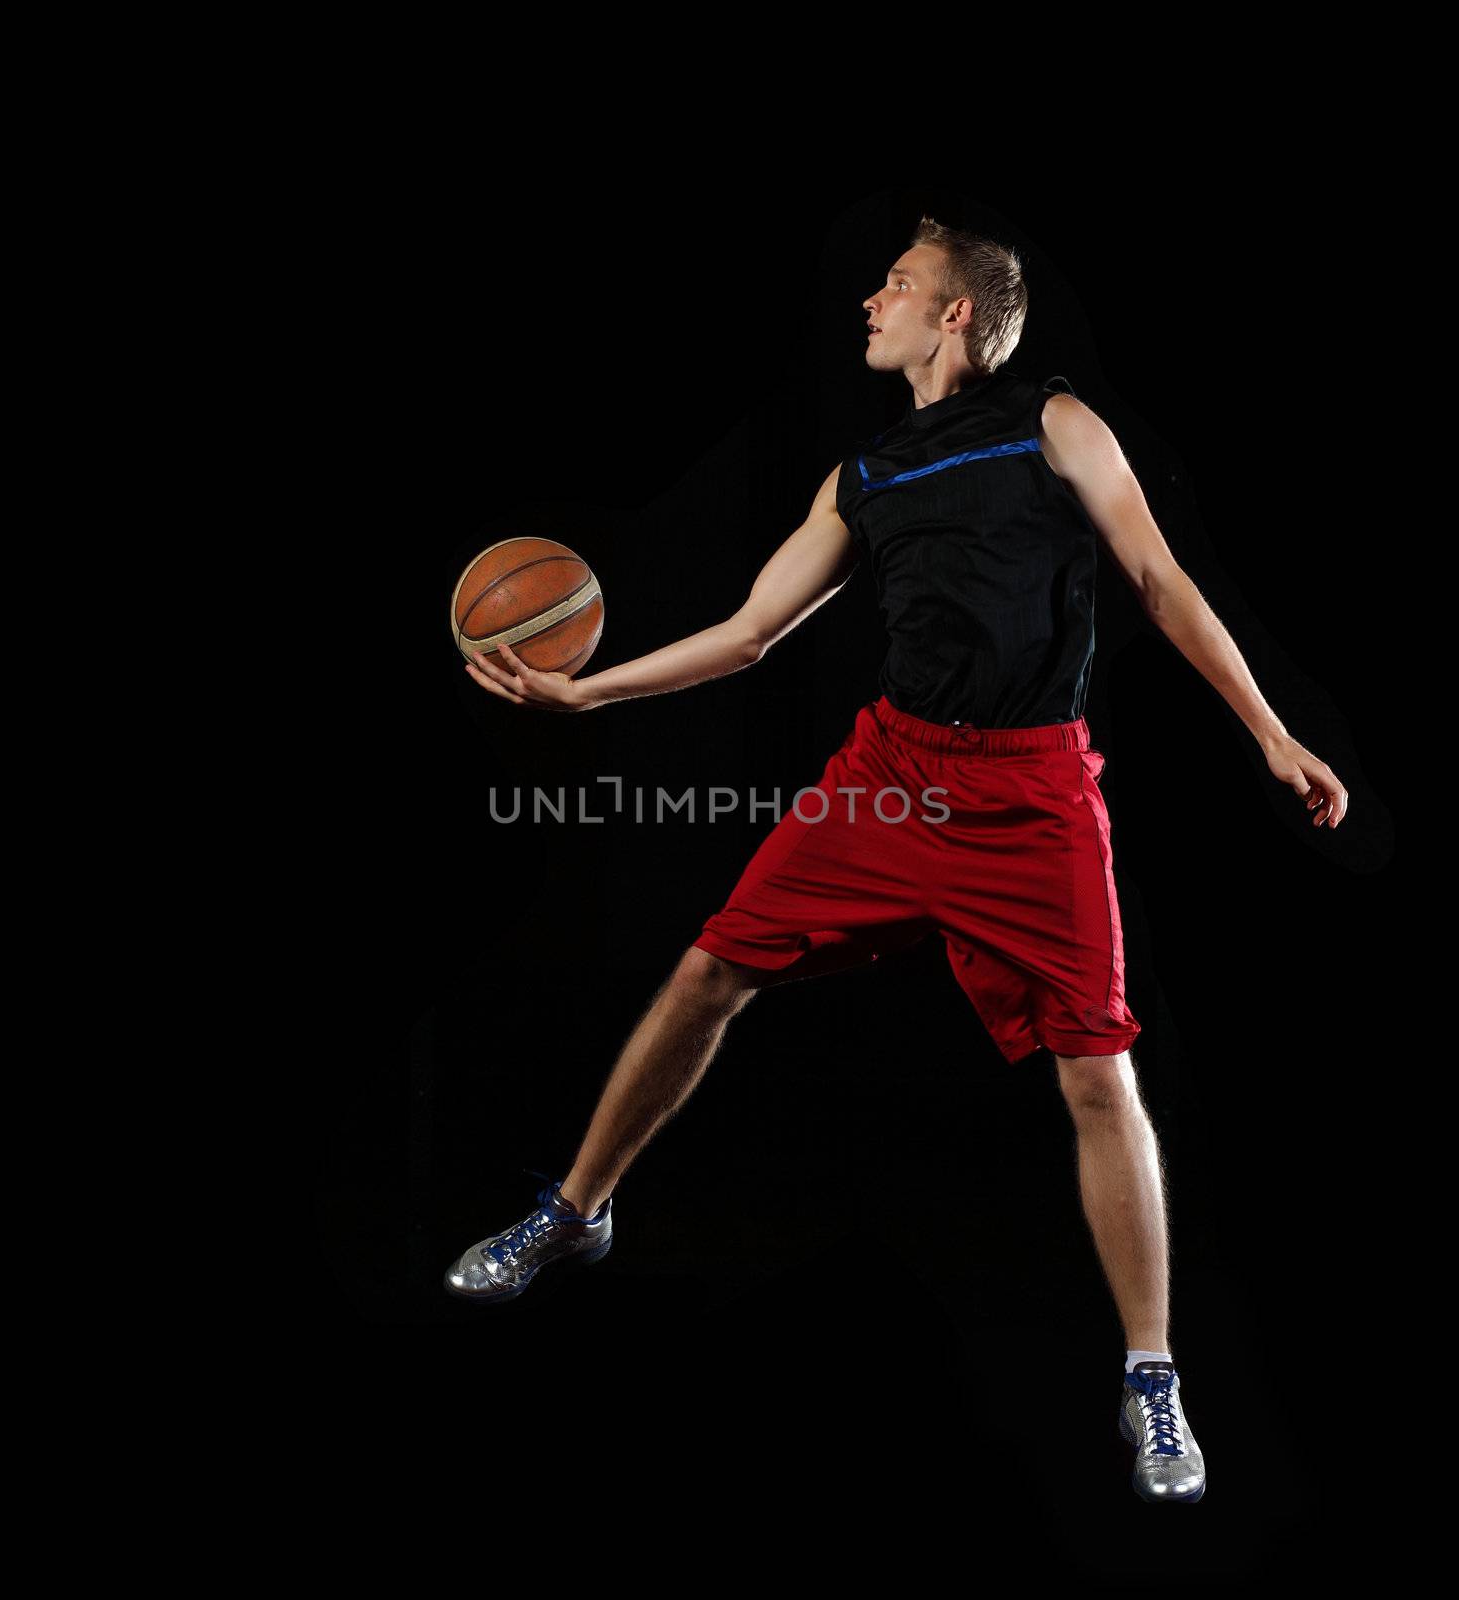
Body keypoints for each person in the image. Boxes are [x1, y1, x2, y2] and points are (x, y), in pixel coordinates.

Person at [444, 217, 1348, 1504]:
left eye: (899, 285)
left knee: (1099, 1074)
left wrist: (1268, 731)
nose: (871, 298)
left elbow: (1154, 575)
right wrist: (587, 701)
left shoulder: (1054, 422)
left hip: (1034, 792)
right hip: (890, 776)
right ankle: (578, 1209)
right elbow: (751, 631)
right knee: (707, 971)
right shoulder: (861, 474)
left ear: (958, 318)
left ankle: (1152, 1374)